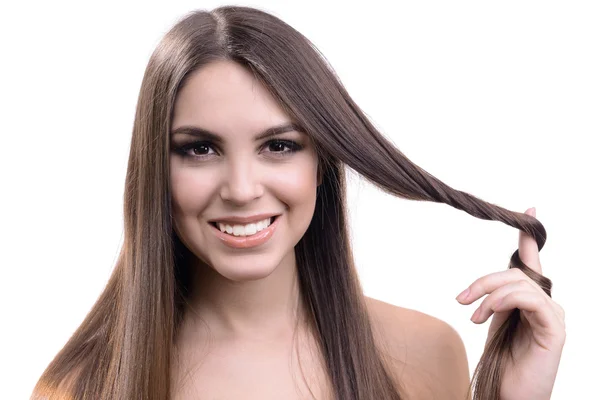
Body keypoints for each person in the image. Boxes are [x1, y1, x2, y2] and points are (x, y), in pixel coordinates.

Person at [31, 5, 565, 400]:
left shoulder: (425, 357)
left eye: (278, 146)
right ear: (154, 170)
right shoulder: (81, 387)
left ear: (321, 165)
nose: (241, 188)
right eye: (199, 148)